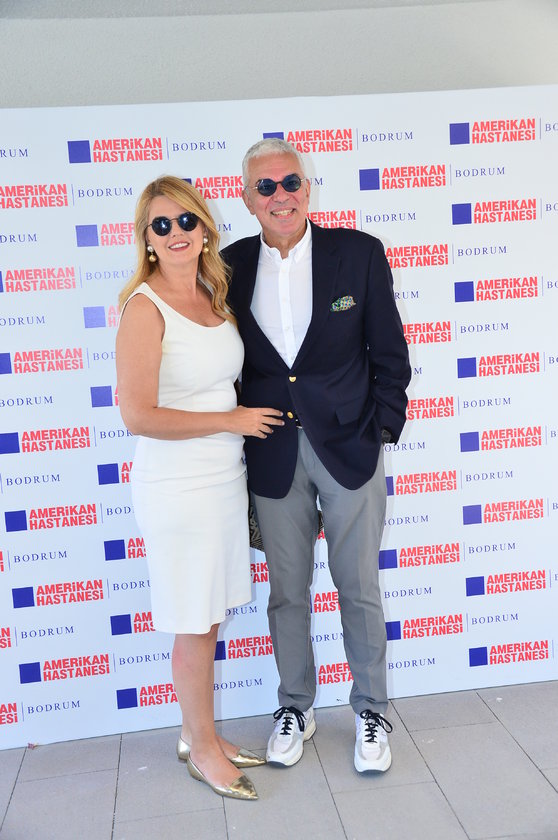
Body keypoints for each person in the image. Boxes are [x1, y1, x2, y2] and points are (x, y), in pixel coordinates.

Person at [222, 139, 411, 773]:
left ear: (308, 187)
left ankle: (371, 710)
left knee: (358, 588)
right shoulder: (228, 266)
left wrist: (380, 429)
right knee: (287, 593)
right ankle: (295, 707)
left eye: (290, 182)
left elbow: (389, 352)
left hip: (349, 449)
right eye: (266, 187)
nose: (281, 195)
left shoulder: (358, 253)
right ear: (247, 199)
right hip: (272, 452)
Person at [115, 175, 283, 801]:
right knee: (193, 620)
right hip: (177, 488)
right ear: (147, 239)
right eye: (161, 225)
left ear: (205, 228)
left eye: (186, 220)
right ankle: (203, 750)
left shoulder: (214, 296)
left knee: (208, 617)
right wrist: (230, 421)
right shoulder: (144, 307)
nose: (176, 232)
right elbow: (138, 415)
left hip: (222, 481)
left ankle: (199, 733)